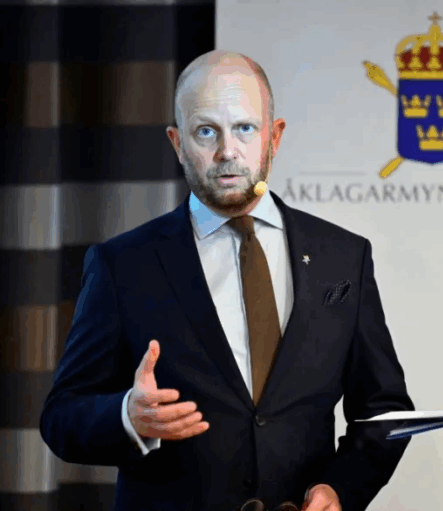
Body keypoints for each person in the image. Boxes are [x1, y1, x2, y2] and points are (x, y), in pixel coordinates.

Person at [40, 50, 414, 511]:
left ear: (274, 136)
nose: (227, 151)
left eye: (245, 128)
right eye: (205, 131)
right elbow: (61, 417)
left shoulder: (344, 257)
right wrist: (127, 417)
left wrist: (342, 488)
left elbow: (385, 410)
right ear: (177, 143)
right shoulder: (122, 265)